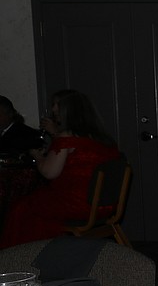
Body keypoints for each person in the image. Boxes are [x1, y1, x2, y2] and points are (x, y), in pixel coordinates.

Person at [0, 89, 120, 248]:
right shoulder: (102, 138)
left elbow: (49, 173)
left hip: (78, 205)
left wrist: (37, 156)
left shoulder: (67, 137)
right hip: (103, 205)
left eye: (57, 105)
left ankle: (24, 255)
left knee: (22, 207)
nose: (53, 109)